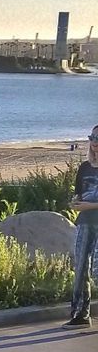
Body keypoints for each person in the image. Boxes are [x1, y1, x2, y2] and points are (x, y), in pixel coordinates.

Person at [66, 126, 98, 328]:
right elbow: (78, 194)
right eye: (92, 137)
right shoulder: (84, 167)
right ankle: (80, 315)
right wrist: (75, 203)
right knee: (80, 269)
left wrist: (91, 205)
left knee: (97, 270)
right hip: (85, 223)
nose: (95, 141)